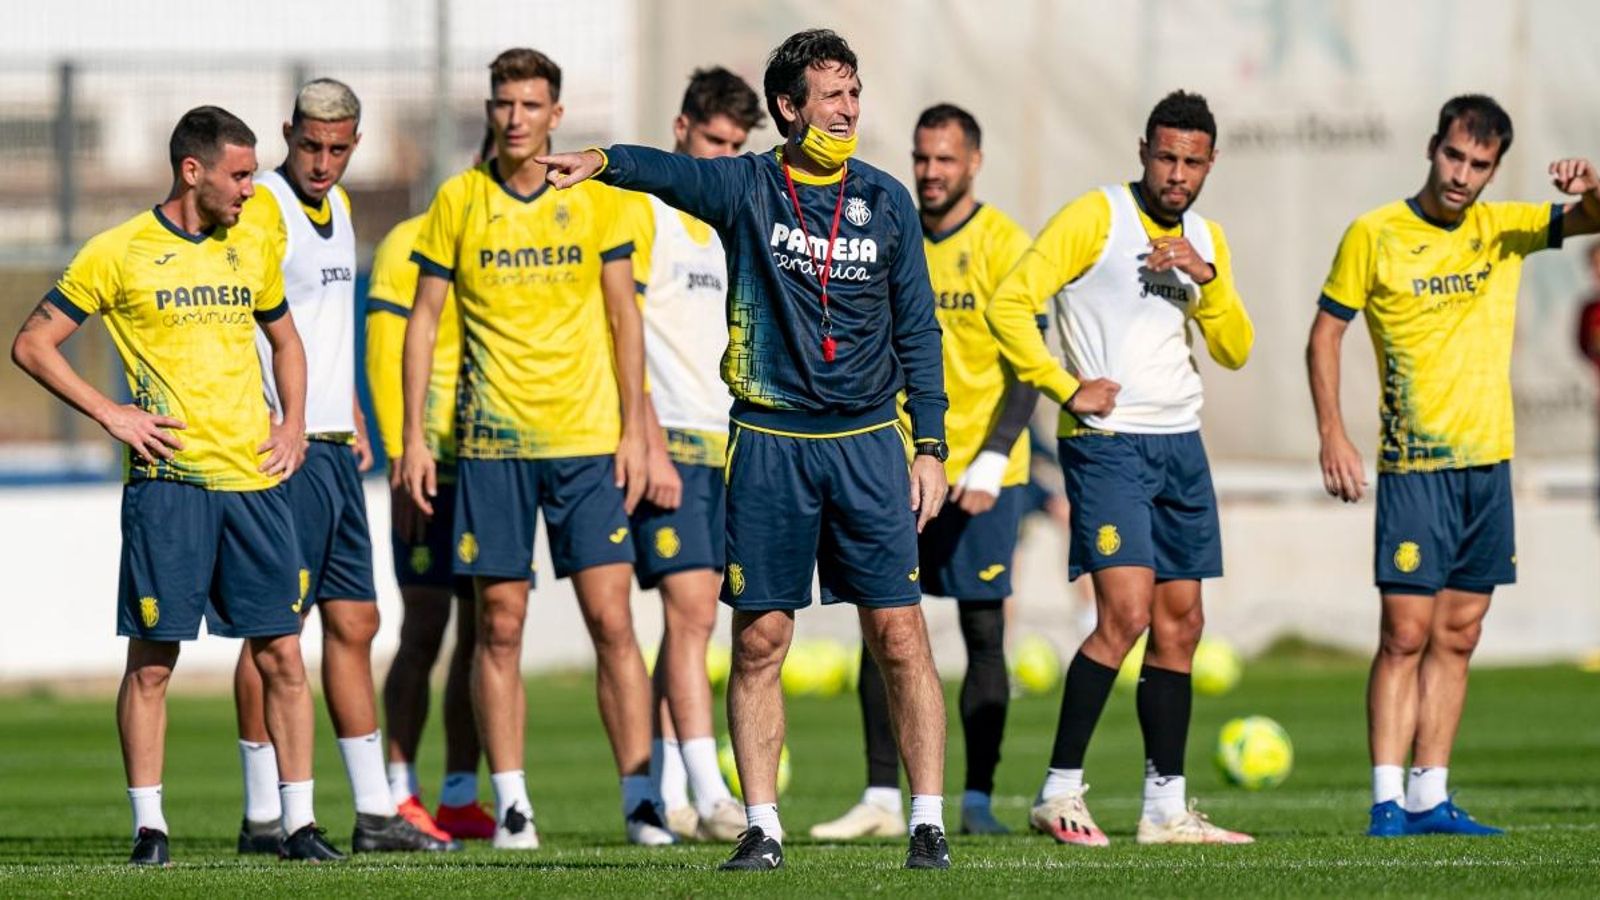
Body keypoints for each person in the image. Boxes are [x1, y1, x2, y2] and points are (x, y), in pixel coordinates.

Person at [540, 28, 954, 871]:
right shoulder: (748, 188)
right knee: (761, 638)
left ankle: (928, 821)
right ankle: (761, 825)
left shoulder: (887, 201)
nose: (847, 108)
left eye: (853, 91)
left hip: (871, 442)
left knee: (901, 635)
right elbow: (674, 171)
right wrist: (603, 159)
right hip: (769, 441)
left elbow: (919, 328)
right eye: (829, 95)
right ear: (789, 109)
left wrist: (933, 445)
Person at [10, 106, 341, 864]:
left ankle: (298, 825)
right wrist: (110, 413)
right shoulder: (117, 253)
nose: (252, 190)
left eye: (254, 174)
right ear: (192, 172)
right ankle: (150, 829)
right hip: (169, 487)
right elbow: (32, 343)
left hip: (254, 483)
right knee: (154, 661)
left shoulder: (252, 240)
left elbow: (285, 340)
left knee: (284, 656)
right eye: (240, 174)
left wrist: (293, 424)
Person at [1307, 94, 1600, 837]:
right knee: (1404, 633)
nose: (1463, 175)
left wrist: (1590, 187)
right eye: (1454, 156)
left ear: (1494, 169)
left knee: (1460, 634)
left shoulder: (1502, 230)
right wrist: (1333, 434)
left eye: (1480, 165)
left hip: (1487, 466)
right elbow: (1325, 336)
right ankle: (1383, 802)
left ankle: (1429, 795)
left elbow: (1598, 218)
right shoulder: (1374, 233)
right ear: (1433, 146)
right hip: (1415, 466)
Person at [399, 47, 669, 849]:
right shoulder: (459, 201)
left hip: (587, 446)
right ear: (490, 110)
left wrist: (634, 429)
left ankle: (642, 799)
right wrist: (414, 436)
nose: (514, 117)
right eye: (502, 103)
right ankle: (512, 805)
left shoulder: (595, 202)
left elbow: (625, 319)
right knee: (499, 626)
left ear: (557, 115)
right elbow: (424, 321)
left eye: (529, 105)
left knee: (612, 622)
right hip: (490, 448)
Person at [986, 90, 1255, 846]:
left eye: (1191, 161)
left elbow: (1235, 348)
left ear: (1210, 164)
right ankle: (1057, 792)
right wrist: (1065, 384)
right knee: (1126, 616)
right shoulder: (1094, 217)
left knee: (1183, 625)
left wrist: (1208, 280)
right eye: (1165, 156)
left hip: (1181, 444)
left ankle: (1166, 810)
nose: (1177, 173)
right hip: (1108, 444)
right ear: (1143, 150)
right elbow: (1010, 304)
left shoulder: (1206, 239)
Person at [214, 79, 454, 857]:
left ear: (356, 142)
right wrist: (272, 418)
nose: (323, 163)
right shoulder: (262, 210)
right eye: (311, 147)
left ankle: (376, 814)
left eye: (339, 149)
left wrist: (348, 406)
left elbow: (318, 326)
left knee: (357, 621)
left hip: (333, 450)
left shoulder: (341, 209)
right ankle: (261, 816)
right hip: (277, 452)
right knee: (273, 634)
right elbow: (237, 321)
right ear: (289, 133)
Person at [811, 103, 1031, 841]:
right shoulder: (887, 228)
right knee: (884, 623)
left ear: (973, 162)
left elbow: (1029, 364)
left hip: (981, 475)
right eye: (921, 158)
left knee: (983, 632)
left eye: (944, 160)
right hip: (894, 465)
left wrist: (995, 456)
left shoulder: (1003, 243)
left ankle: (975, 799)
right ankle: (879, 796)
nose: (930, 173)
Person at [627, 67, 763, 844]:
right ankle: (713, 794)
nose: (724, 157)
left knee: (694, 624)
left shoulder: (728, 219)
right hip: (670, 439)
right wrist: (644, 436)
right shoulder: (649, 213)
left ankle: (661, 791)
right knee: (691, 614)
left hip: (730, 441)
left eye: (737, 146)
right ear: (681, 130)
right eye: (714, 141)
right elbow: (625, 332)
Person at [367, 127, 497, 843]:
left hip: (491, 464)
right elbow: (388, 353)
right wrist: (402, 452)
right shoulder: (411, 241)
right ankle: (397, 789)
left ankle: (456, 793)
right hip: (430, 467)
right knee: (423, 630)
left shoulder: (513, 241)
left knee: (485, 635)